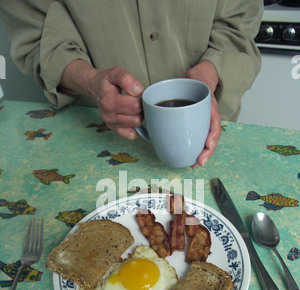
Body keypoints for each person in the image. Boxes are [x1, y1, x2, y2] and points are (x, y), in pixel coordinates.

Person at [0, 1, 263, 166]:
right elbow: (38, 35)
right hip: (100, 142)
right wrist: (90, 81)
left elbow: (239, 22)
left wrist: (210, 72)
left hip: (212, 138)